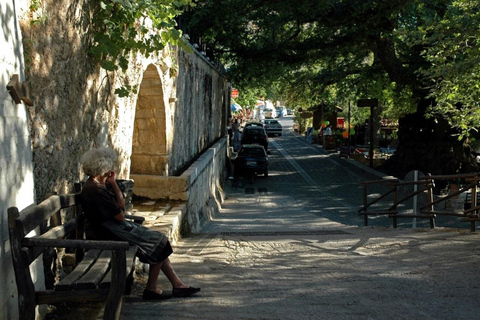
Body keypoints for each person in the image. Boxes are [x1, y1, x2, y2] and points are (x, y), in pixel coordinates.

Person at [80, 147, 200, 300]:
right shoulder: (95, 190)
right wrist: (119, 210)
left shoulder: (99, 185)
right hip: (110, 231)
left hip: (113, 227)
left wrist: (114, 183)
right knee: (158, 242)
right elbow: (120, 216)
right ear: (103, 167)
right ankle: (152, 289)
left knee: (158, 241)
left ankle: (177, 285)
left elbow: (121, 206)